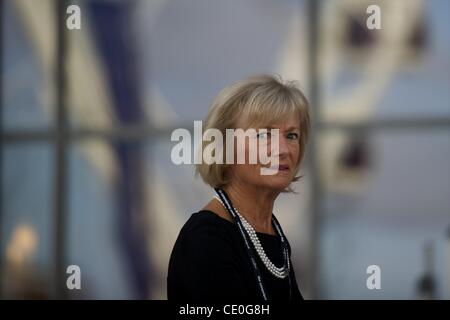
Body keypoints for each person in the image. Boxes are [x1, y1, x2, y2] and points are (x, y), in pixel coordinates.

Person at [167, 74, 310, 301]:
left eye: (291, 135)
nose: (283, 149)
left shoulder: (271, 232)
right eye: (264, 135)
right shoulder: (205, 240)